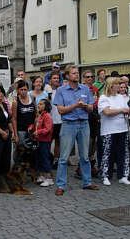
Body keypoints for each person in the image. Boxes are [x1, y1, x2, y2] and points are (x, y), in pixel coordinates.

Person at [53, 65, 99, 196]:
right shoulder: (61, 90)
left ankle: (87, 182)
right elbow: (61, 110)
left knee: (85, 156)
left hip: (84, 124)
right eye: (73, 73)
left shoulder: (85, 89)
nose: (76, 75)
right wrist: (76, 105)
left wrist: (85, 106)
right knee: (63, 157)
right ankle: (60, 185)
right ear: (67, 76)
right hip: (68, 125)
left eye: (77, 73)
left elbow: (91, 108)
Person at [98, 77, 130, 186]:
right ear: (111, 85)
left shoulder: (121, 97)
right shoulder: (103, 98)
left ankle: (123, 175)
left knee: (123, 153)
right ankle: (105, 175)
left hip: (122, 128)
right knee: (108, 153)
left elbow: (127, 110)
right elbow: (107, 112)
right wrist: (120, 110)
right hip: (109, 130)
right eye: (117, 84)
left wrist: (119, 111)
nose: (119, 86)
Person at [29, 99, 54, 187]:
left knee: (45, 158)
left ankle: (49, 178)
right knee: (39, 158)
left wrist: (38, 132)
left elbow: (47, 129)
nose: (39, 105)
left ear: (46, 106)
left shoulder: (47, 116)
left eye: (41, 104)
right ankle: (42, 175)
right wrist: (31, 127)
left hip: (45, 141)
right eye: (38, 104)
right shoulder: (39, 115)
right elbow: (35, 125)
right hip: (38, 140)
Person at [12, 80, 36, 163]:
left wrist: (36, 128)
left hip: (32, 130)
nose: (23, 91)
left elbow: (36, 115)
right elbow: (14, 119)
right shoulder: (15, 102)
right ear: (18, 90)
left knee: (31, 151)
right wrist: (15, 135)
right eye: (21, 89)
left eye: (25, 89)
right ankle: (18, 171)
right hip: (20, 130)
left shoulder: (32, 99)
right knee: (20, 151)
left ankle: (30, 169)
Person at [48, 72, 62, 169]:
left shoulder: (62, 91)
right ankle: (48, 159)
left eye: (57, 78)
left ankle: (57, 160)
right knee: (48, 142)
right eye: (54, 78)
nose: (56, 80)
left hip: (60, 120)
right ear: (50, 80)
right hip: (50, 121)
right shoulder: (47, 91)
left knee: (58, 142)